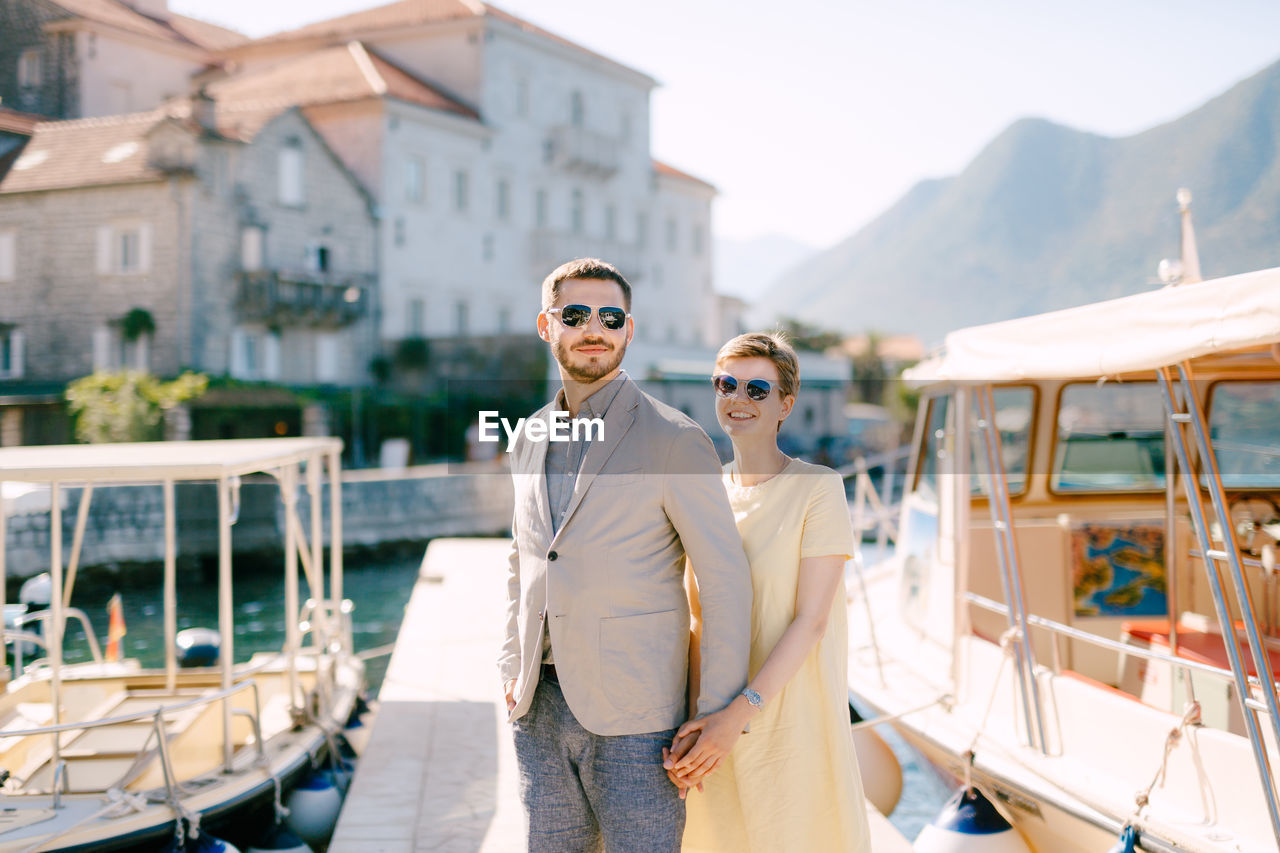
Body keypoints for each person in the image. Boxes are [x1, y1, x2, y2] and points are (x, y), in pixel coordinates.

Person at [498, 258, 753, 853]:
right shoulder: (527, 435)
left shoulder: (676, 439)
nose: (595, 328)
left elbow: (724, 579)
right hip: (537, 703)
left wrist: (716, 712)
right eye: (576, 314)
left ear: (628, 331)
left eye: (611, 316)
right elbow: (524, 555)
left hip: (639, 716)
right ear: (546, 325)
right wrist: (512, 661)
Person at [665, 331, 871, 853]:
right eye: (726, 384)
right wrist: (698, 726)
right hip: (713, 727)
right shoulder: (704, 492)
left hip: (789, 719)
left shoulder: (818, 489)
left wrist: (738, 715)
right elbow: (696, 620)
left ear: (786, 404)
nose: (738, 399)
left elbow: (813, 621)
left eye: (757, 390)